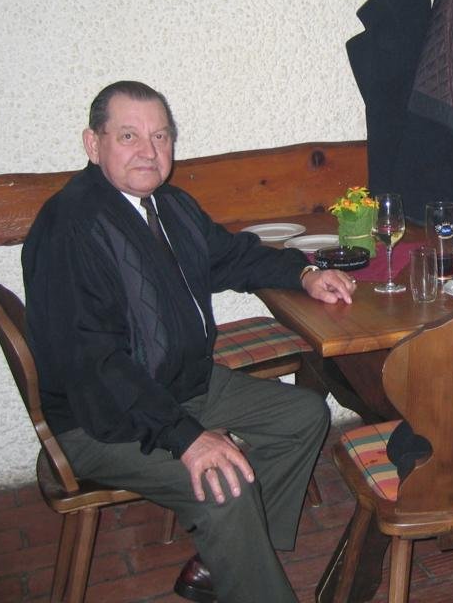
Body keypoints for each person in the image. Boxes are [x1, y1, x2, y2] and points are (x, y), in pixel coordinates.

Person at [22, 81, 357, 603]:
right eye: (129, 136)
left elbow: (231, 257)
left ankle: (235, 557)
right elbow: (96, 366)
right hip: (104, 419)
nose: (148, 151)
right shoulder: (72, 228)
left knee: (303, 415)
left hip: (180, 386)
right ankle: (247, 567)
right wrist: (188, 438)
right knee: (226, 487)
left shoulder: (167, 205)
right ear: (93, 144)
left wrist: (304, 274)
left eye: (160, 136)